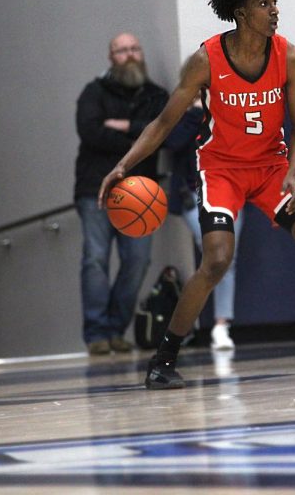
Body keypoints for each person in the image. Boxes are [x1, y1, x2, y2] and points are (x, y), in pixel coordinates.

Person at [98, 0, 295, 389]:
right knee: (215, 260)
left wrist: (294, 170)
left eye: (275, 1)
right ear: (241, 12)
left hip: (272, 169)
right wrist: (123, 166)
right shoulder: (204, 59)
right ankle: (164, 360)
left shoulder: (289, 55)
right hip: (222, 170)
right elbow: (162, 124)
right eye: (264, 3)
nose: (274, 10)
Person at [74, 32, 168, 355]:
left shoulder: (157, 95)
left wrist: (121, 126)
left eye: (134, 48)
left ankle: (116, 329)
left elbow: (163, 133)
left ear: (141, 53)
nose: (129, 54)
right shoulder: (93, 92)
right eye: (121, 50)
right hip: (94, 189)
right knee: (95, 261)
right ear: (110, 57)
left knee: (138, 262)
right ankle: (97, 334)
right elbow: (90, 132)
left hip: (141, 193)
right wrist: (139, 140)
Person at [165, 99, 242, 349]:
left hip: (228, 194)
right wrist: (196, 112)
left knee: (226, 258)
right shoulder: (180, 114)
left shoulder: (229, 112)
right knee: (213, 254)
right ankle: (182, 327)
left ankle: (221, 324)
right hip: (192, 195)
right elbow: (173, 143)